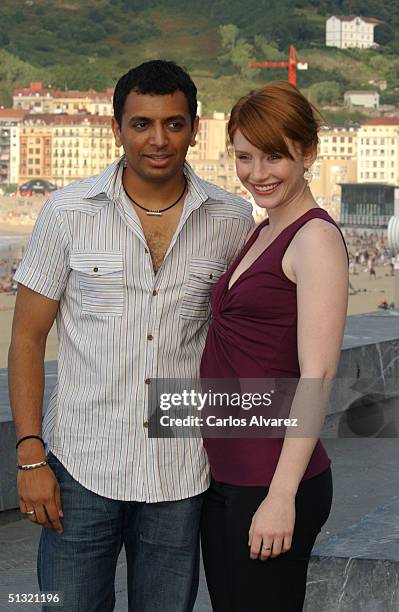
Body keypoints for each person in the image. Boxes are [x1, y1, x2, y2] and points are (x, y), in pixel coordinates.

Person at [8, 60, 254, 612]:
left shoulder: (232, 218)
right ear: (117, 128)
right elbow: (27, 339)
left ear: (194, 127)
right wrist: (29, 458)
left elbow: (243, 339)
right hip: (81, 464)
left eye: (173, 123)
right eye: (141, 124)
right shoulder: (67, 212)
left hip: (182, 469)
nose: (158, 140)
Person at [200, 81, 349, 611]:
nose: (257, 173)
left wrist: (281, 496)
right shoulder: (262, 229)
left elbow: (319, 375)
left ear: (307, 153)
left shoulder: (314, 239)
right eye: (244, 156)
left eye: (275, 156)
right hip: (230, 474)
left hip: (271, 480)